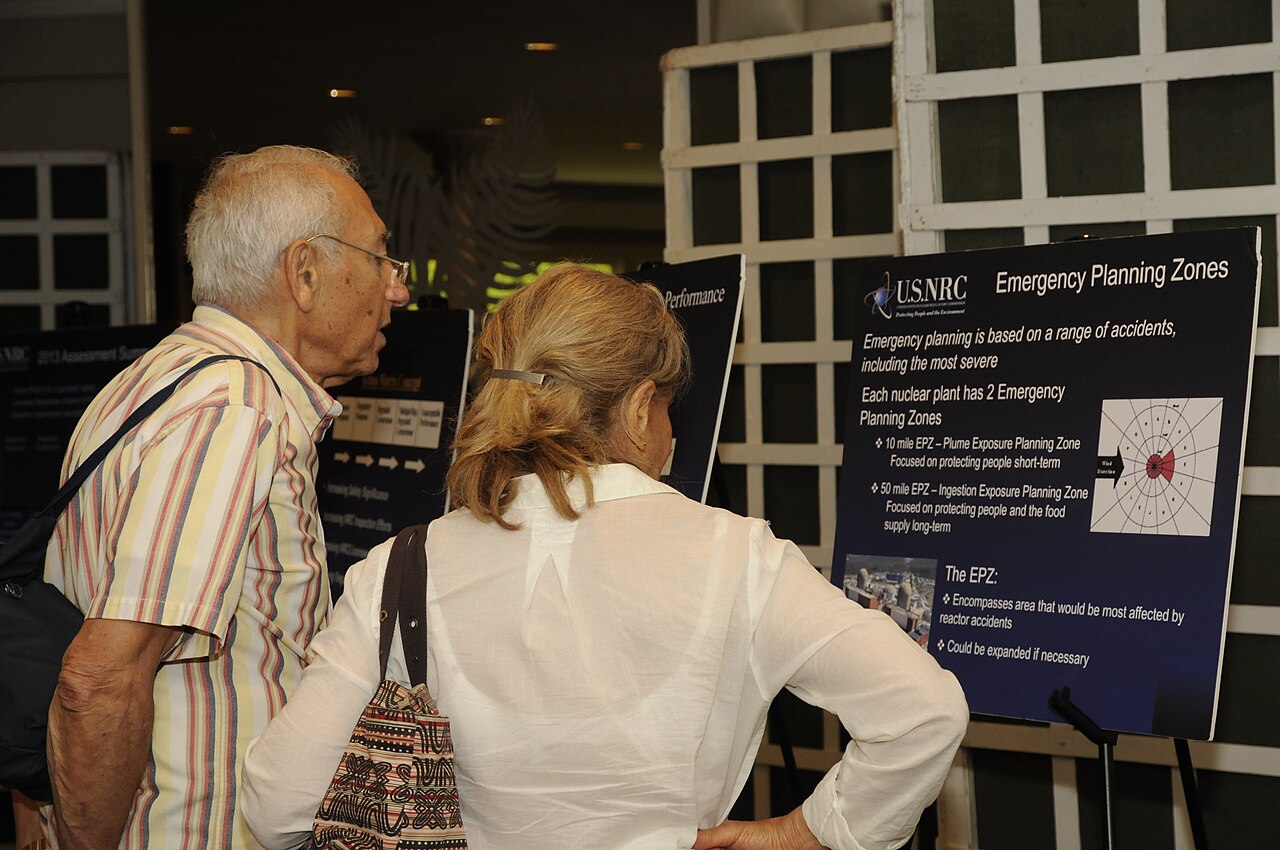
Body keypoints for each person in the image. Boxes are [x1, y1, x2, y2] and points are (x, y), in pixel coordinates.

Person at [241, 264, 968, 850]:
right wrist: (802, 834)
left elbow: (278, 807)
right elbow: (924, 712)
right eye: (669, 407)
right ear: (638, 407)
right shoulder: (739, 557)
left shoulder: (400, 569)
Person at [40, 144, 411, 850]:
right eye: (380, 260)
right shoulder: (231, 411)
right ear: (304, 273)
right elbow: (98, 676)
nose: (395, 289)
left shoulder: (159, 380)